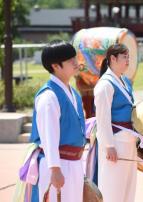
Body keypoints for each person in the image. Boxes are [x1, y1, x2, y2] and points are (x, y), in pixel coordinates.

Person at [29, 40, 86, 201]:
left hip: (74, 162)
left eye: (75, 58)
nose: (76, 63)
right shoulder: (48, 96)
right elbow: (49, 136)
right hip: (57, 164)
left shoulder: (73, 93)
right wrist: (54, 169)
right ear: (55, 66)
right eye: (70, 60)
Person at [94, 44, 137, 202]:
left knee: (128, 185)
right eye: (124, 57)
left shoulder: (125, 81)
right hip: (115, 140)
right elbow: (102, 118)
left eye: (128, 57)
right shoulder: (105, 85)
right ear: (112, 58)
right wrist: (108, 145)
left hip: (129, 138)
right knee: (113, 186)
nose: (127, 61)